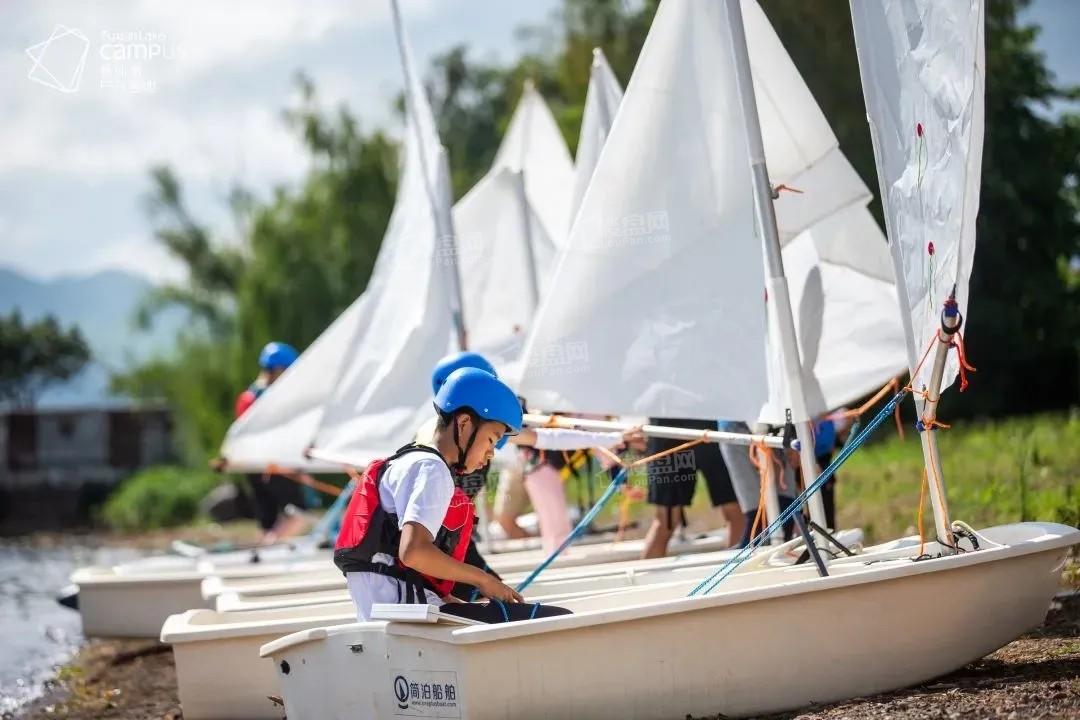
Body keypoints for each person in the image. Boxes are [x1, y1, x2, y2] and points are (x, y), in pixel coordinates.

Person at [335, 367, 571, 623]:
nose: (491, 453)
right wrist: (483, 579)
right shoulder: (432, 469)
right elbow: (413, 552)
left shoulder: (410, 459)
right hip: (404, 611)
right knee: (555, 618)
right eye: (491, 440)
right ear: (464, 423)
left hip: (389, 608)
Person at [235, 341, 309, 543]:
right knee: (298, 515)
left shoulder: (248, 397)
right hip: (274, 465)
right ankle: (269, 547)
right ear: (279, 370)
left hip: (252, 466)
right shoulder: (274, 398)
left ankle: (263, 553)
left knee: (267, 521)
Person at [640, 418, 744, 558]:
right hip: (700, 424)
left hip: (671, 424)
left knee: (665, 520)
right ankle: (735, 572)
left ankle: (734, 571)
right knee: (735, 510)